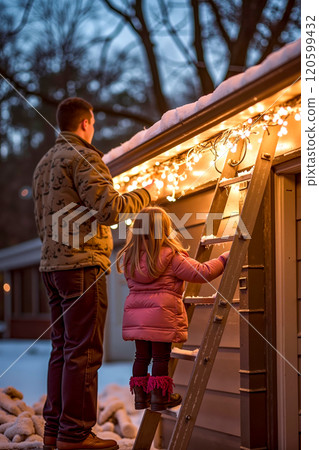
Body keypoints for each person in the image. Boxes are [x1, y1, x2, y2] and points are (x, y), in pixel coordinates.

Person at [32, 97, 157, 450]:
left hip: (51, 268)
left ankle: (55, 430)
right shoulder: (84, 156)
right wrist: (148, 192)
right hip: (82, 266)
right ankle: (76, 435)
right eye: (94, 124)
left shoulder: (43, 164)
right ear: (86, 122)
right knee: (84, 352)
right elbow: (110, 209)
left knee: (63, 350)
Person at [117, 206, 229, 412]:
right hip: (162, 316)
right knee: (161, 357)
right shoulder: (172, 256)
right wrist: (223, 259)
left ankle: (141, 397)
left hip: (137, 318)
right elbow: (201, 273)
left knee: (141, 357)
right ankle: (160, 397)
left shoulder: (130, 258)